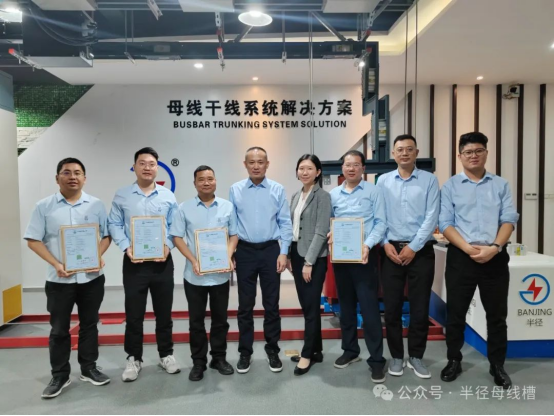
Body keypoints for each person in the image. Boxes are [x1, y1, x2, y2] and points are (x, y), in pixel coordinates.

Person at [25, 158, 111, 399]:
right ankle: (60, 375)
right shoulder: (44, 206)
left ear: (84, 178)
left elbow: (106, 236)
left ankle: (89, 368)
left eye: (77, 172)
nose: (72, 176)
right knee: (59, 329)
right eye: (66, 172)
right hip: (59, 280)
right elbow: (33, 240)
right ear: (57, 178)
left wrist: (97, 255)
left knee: (90, 324)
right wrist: (56, 264)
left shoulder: (96, 205)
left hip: (91, 278)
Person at [439, 132, 519, 390]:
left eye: (478, 151)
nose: (473, 156)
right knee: (455, 313)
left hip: (494, 257)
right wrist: (467, 248)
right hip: (461, 257)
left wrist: (494, 248)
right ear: (459, 156)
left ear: (486, 153)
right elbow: (445, 223)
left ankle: (497, 364)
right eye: (468, 152)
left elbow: (509, 219)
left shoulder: (500, 185)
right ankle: (454, 359)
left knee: (497, 315)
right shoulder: (450, 186)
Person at [108, 147, 180, 382]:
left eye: (151, 164)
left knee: (164, 313)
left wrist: (168, 245)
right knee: (134, 314)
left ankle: (166, 354)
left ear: (157, 167)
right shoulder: (122, 195)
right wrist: (125, 247)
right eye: (142, 163)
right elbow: (114, 224)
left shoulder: (168, 196)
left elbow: (176, 225)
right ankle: (133, 358)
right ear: (134, 167)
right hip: (134, 263)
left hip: (162, 262)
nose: (147, 167)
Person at [377, 135, 440, 380]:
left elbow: (432, 216)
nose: (404, 153)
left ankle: (416, 356)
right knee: (391, 307)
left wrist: (414, 246)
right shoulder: (383, 181)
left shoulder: (429, 180)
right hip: (390, 251)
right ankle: (396, 356)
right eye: (400, 149)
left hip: (421, 251)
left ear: (416, 152)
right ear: (393, 154)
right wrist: (384, 244)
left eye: (409, 149)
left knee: (419, 306)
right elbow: (379, 215)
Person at [170, 165, 238, 382]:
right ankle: (198, 362)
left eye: (210, 178)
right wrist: (193, 260)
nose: (206, 182)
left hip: (220, 275)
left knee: (220, 320)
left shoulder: (227, 207)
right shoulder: (184, 208)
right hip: (194, 276)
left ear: (215, 181)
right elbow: (177, 237)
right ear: (195, 183)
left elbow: (234, 235)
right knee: (196, 322)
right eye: (201, 179)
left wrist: (228, 256)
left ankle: (218, 358)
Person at [229, 147, 293, 374]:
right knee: (245, 306)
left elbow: (285, 222)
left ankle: (272, 349)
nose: (256, 166)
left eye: (260, 162)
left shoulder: (277, 189)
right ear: (245, 164)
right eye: (251, 162)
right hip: (244, 251)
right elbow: (232, 224)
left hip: (270, 251)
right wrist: (231, 252)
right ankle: (245, 352)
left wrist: (284, 252)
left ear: (267, 164)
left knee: (271, 304)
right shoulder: (235, 189)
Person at [329, 150, 388, 384]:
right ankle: (350, 350)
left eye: (356, 165)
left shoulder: (374, 192)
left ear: (363, 168)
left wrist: (367, 245)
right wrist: (331, 235)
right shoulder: (333, 194)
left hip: (365, 256)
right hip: (341, 258)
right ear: (342, 168)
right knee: (346, 307)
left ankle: (376, 360)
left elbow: (381, 223)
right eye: (347, 165)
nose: (351, 168)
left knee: (369, 308)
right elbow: (330, 223)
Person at [287, 154, 332, 376]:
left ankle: (306, 354)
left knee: (312, 307)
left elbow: (321, 231)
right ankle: (316, 350)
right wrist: (288, 255)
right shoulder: (296, 195)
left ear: (318, 172)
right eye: (301, 168)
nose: (304, 172)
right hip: (297, 254)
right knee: (307, 306)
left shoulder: (323, 196)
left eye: (309, 168)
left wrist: (309, 262)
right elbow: (291, 228)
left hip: (313, 258)